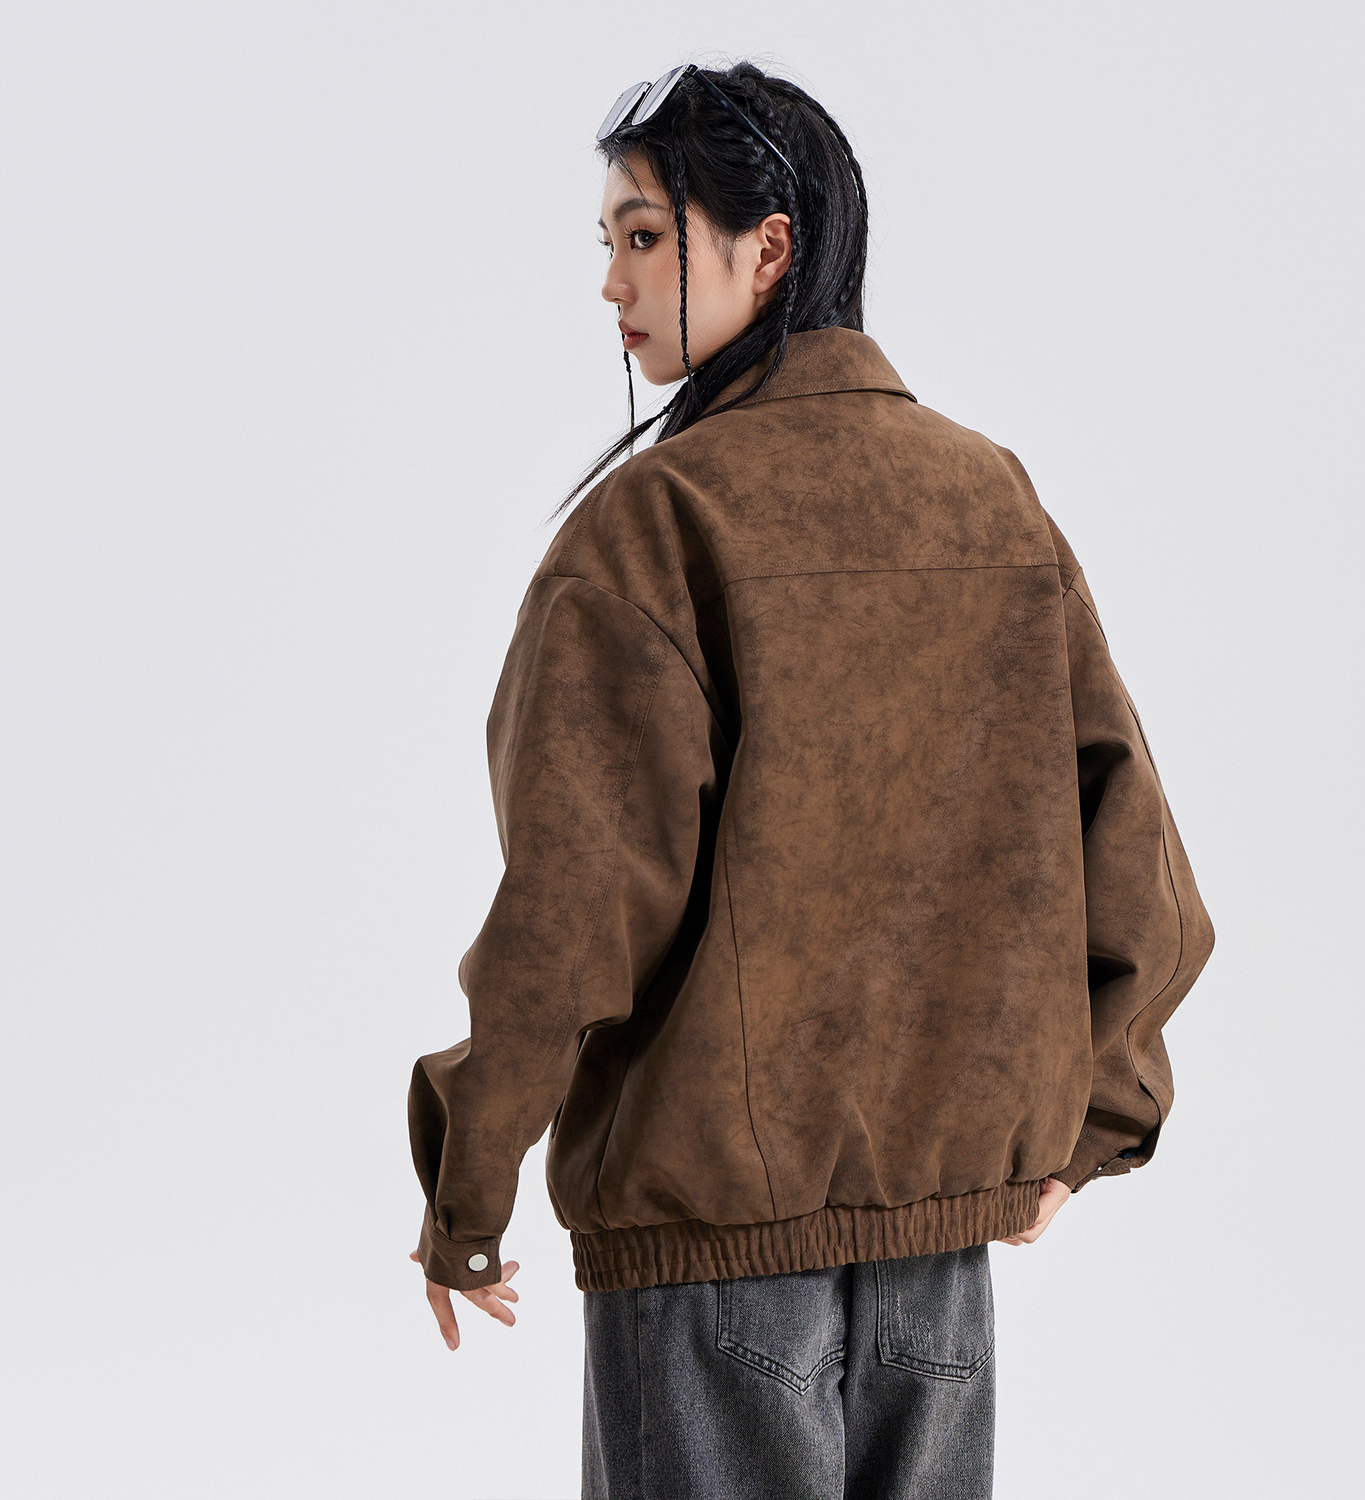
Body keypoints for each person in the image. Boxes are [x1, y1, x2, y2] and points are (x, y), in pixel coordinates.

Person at [407, 59, 1215, 1499]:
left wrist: (466, 1195)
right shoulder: (992, 499)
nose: (612, 283)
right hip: (940, 1273)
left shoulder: (655, 526)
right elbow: (1140, 868)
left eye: (644, 235)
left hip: (710, 1266)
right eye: (608, 241)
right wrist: (1092, 1119)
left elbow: (575, 908)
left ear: (768, 247)